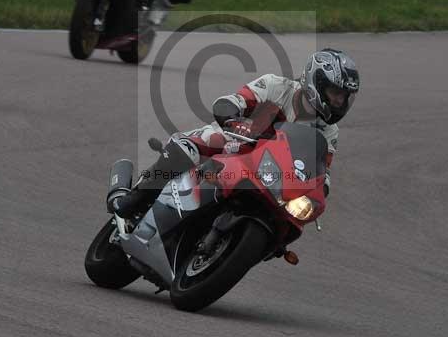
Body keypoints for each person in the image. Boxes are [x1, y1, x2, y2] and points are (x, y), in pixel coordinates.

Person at [107, 48, 361, 219]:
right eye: (335, 94)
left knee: (289, 218)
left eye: (344, 98)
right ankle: (133, 198)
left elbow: (322, 171)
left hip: (270, 173)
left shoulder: (329, 131)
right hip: (235, 140)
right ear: (316, 83)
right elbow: (234, 101)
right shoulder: (276, 86)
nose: (340, 102)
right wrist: (231, 117)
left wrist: (319, 189)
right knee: (191, 146)